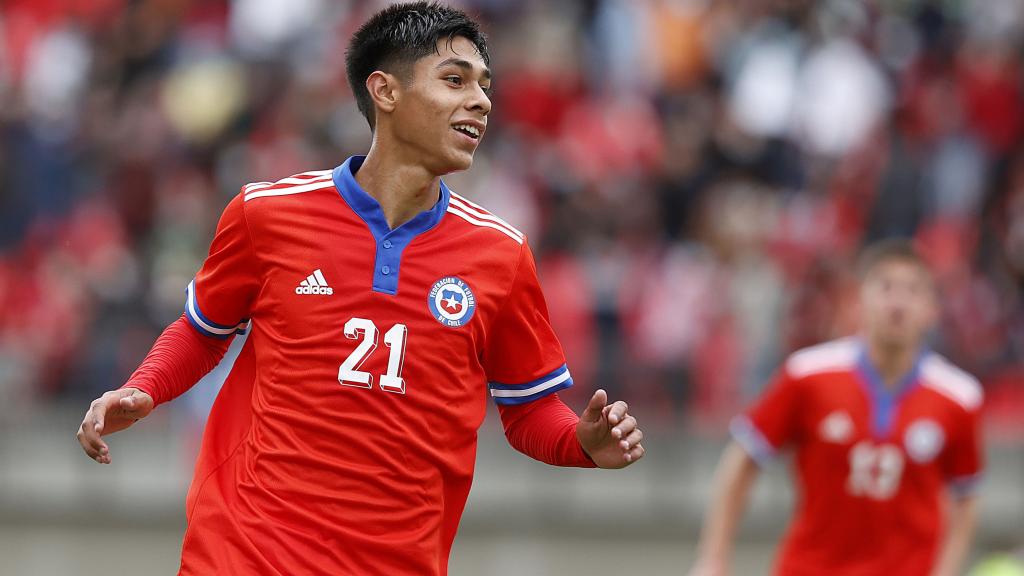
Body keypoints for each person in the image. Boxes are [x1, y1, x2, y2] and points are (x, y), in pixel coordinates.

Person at [75, 3, 645, 575]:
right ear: (385, 91)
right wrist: (144, 389)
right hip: (245, 554)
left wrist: (582, 443)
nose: (481, 101)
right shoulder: (266, 215)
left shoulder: (502, 255)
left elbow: (528, 410)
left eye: (485, 86)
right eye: (455, 80)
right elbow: (203, 333)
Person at [690, 239, 983, 576]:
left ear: (932, 308)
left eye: (913, 290)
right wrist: (712, 559)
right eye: (886, 287)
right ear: (859, 299)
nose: (898, 303)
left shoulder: (960, 397)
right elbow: (742, 460)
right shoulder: (808, 375)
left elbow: (966, 497)